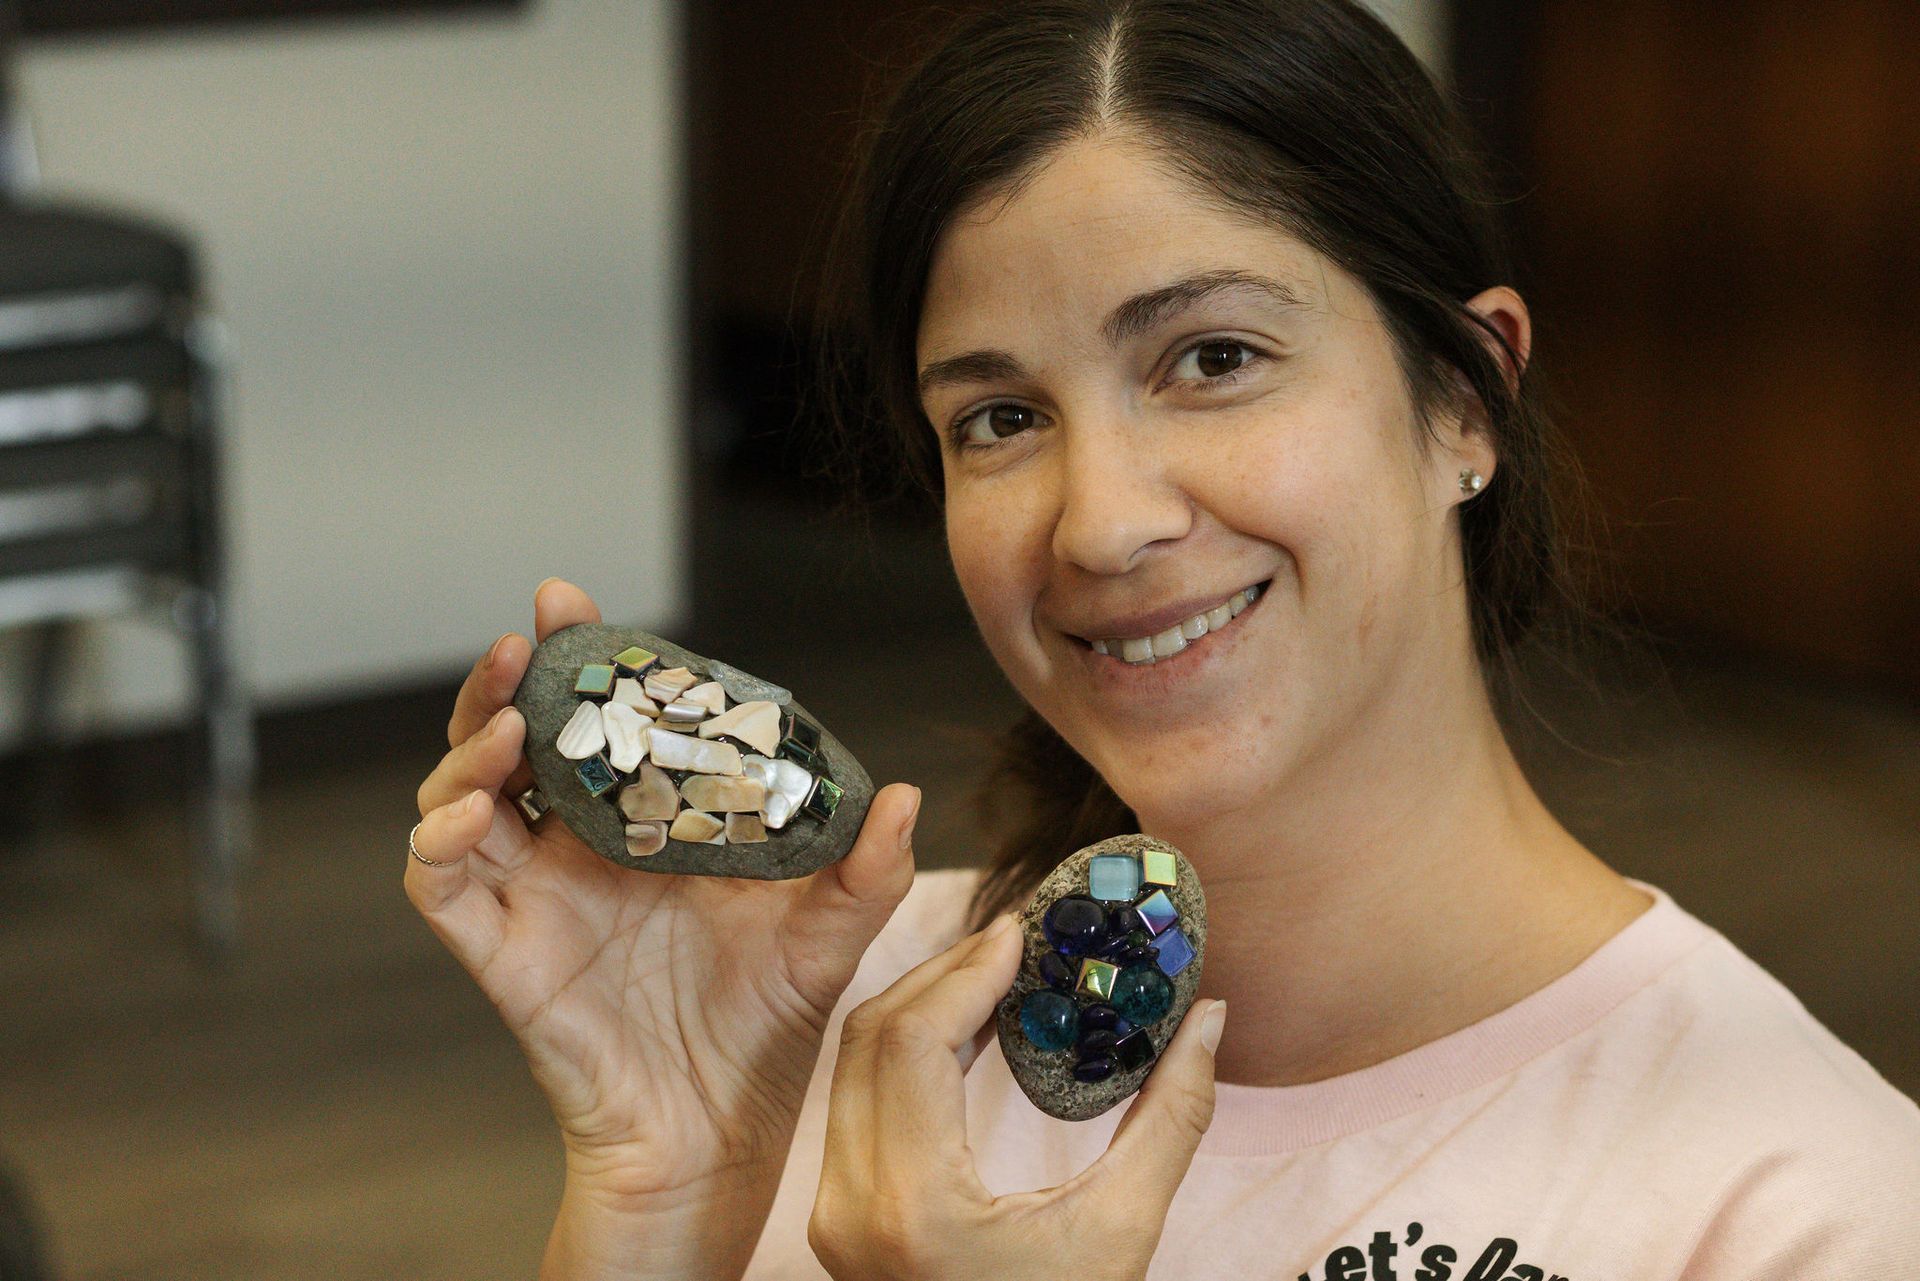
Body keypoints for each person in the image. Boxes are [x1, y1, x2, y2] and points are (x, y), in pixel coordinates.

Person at [404, 2, 1920, 1277]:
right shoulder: (851, 1003)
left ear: (1466, 397)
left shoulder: (1797, 1198)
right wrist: (677, 1185)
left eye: (1213, 358)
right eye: (999, 417)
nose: (1099, 524)